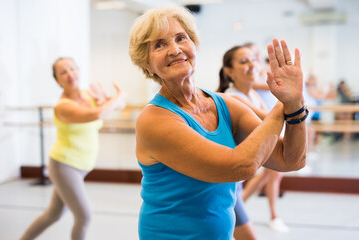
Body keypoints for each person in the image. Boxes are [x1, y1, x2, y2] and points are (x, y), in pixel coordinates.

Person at [129, 6, 307, 240]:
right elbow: (240, 166)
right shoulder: (154, 120)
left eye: (181, 38)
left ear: (193, 45)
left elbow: (291, 159)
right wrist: (283, 104)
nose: (175, 49)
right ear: (147, 64)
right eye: (159, 45)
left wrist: (295, 103)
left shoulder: (224, 104)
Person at [20, 57, 126, 240]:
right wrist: (118, 97)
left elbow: (118, 107)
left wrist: (109, 99)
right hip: (65, 166)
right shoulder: (63, 107)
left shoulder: (87, 95)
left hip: (81, 166)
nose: (70, 74)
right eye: (63, 72)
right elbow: (99, 113)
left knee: (53, 214)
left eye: (72, 68)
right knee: (84, 216)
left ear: (78, 70)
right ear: (57, 81)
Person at [217, 45, 289, 236]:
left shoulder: (253, 94)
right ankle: (273, 216)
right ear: (229, 72)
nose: (251, 64)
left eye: (254, 59)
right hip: (223, 183)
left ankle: (268, 213)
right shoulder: (232, 96)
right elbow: (269, 119)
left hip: (236, 181)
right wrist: (291, 96)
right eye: (243, 61)